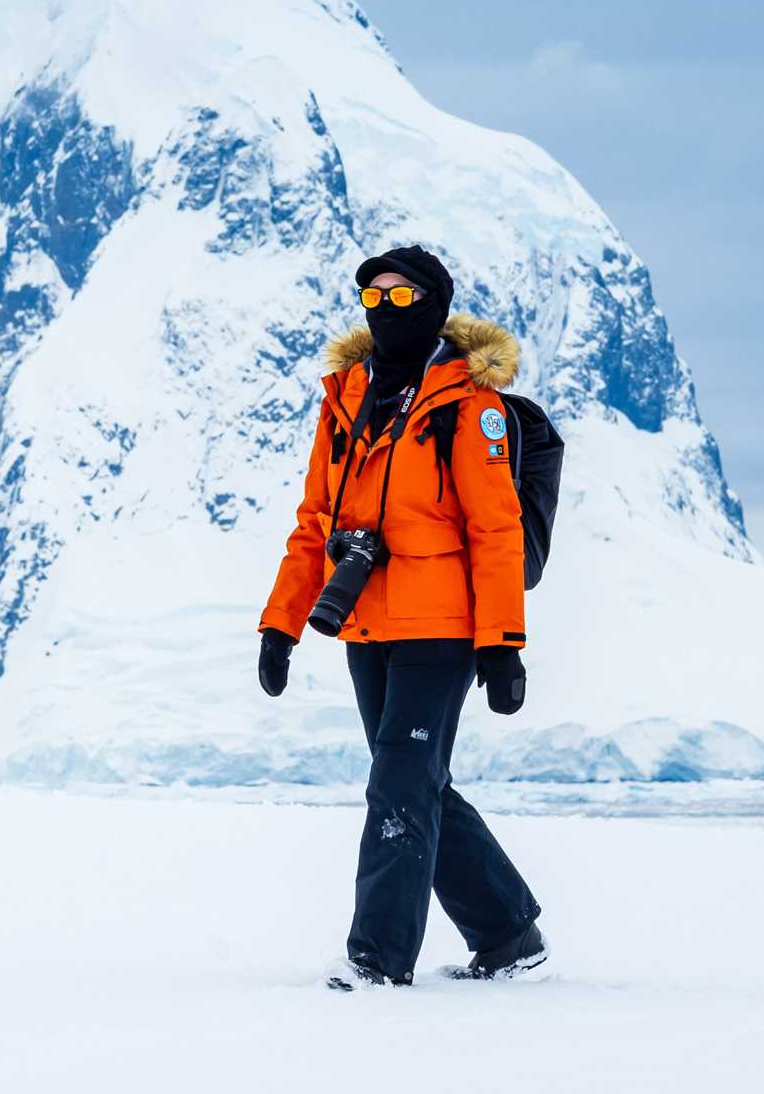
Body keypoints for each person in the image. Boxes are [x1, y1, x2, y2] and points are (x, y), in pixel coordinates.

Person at [257, 244, 545, 989]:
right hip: (365, 627)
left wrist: (502, 644)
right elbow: (315, 519)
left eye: (403, 297)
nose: (387, 311)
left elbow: (495, 530)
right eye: (373, 299)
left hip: (441, 630)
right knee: (417, 786)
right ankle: (509, 935)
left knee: (398, 789)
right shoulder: (346, 400)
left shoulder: (467, 408)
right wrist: (279, 625)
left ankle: (376, 960)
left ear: (436, 306)